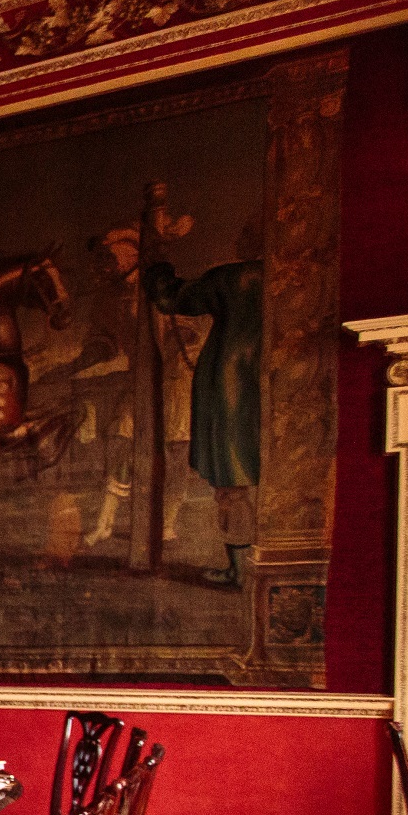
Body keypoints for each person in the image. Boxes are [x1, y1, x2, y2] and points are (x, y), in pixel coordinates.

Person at [144, 221, 264, 587]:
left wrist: (159, 267)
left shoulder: (234, 276)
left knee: (232, 483)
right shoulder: (296, 277)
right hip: (268, 382)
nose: (238, 238)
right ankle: (247, 569)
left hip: (231, 386)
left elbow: (172, 299)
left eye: (244, 234)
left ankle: (239, 571)